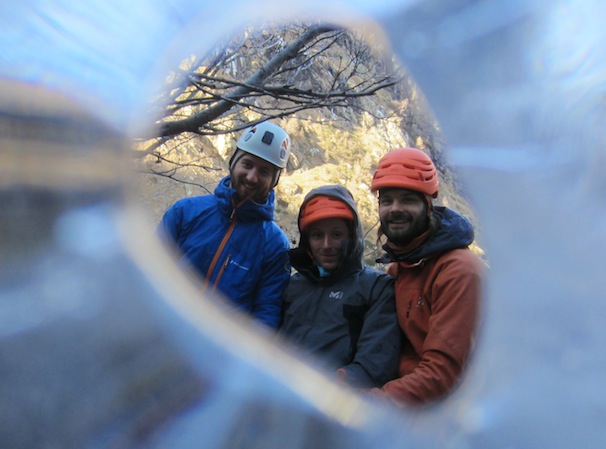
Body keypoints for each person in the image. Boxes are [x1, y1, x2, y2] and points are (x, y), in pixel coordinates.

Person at [369, 147, 483, 405]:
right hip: (408, 401)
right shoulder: (401, 268)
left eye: (407, 199)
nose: (395, 209)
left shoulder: (459, 271)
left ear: (428, 206)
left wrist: (364, 405)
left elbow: (442, 375)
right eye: (387, 200)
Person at [158, 121, 292, 329]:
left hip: (212, 354)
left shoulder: (275, 246)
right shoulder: (185, 212)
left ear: (274, 181)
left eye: (264, 171)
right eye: (247, 164)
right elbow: (150, 272)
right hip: (160, 331)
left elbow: (266, 314)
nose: (252, 177)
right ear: (233, 163)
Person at [279, 185, 401, 388]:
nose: (326, 245)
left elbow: (373, 367)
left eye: (336, 235)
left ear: (351, 237)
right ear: (307, 240)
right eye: (317, 235)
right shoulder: (294, 285)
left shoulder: (376, 289)